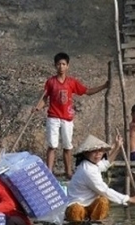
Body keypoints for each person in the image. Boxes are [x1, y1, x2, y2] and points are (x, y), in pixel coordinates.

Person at [33, 52, 108, 180]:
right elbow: (45, 97)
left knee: (67, 146)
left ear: (67, 66)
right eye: (58, 64)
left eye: (63, 64)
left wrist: (104, 86)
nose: (61, 67)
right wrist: (38, 107)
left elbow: (87, 91)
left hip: (67, 118)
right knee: (52, 145)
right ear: (55, 66)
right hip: (53, 117)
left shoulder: (72, 82)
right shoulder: (51, 82)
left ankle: (68, 172)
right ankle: (49, 172)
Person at [65, 134, 135, 225]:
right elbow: (105, 191)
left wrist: (117, 147)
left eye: (100, 151)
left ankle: (95, 224)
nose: (98, 154)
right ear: (86, 153)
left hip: (90, 205)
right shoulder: (87, 170)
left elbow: (106, 164)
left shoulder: (93, 164)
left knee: (102, 201)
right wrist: (129, 199)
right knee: (77, 210)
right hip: (77, 207)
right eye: (94, 151)